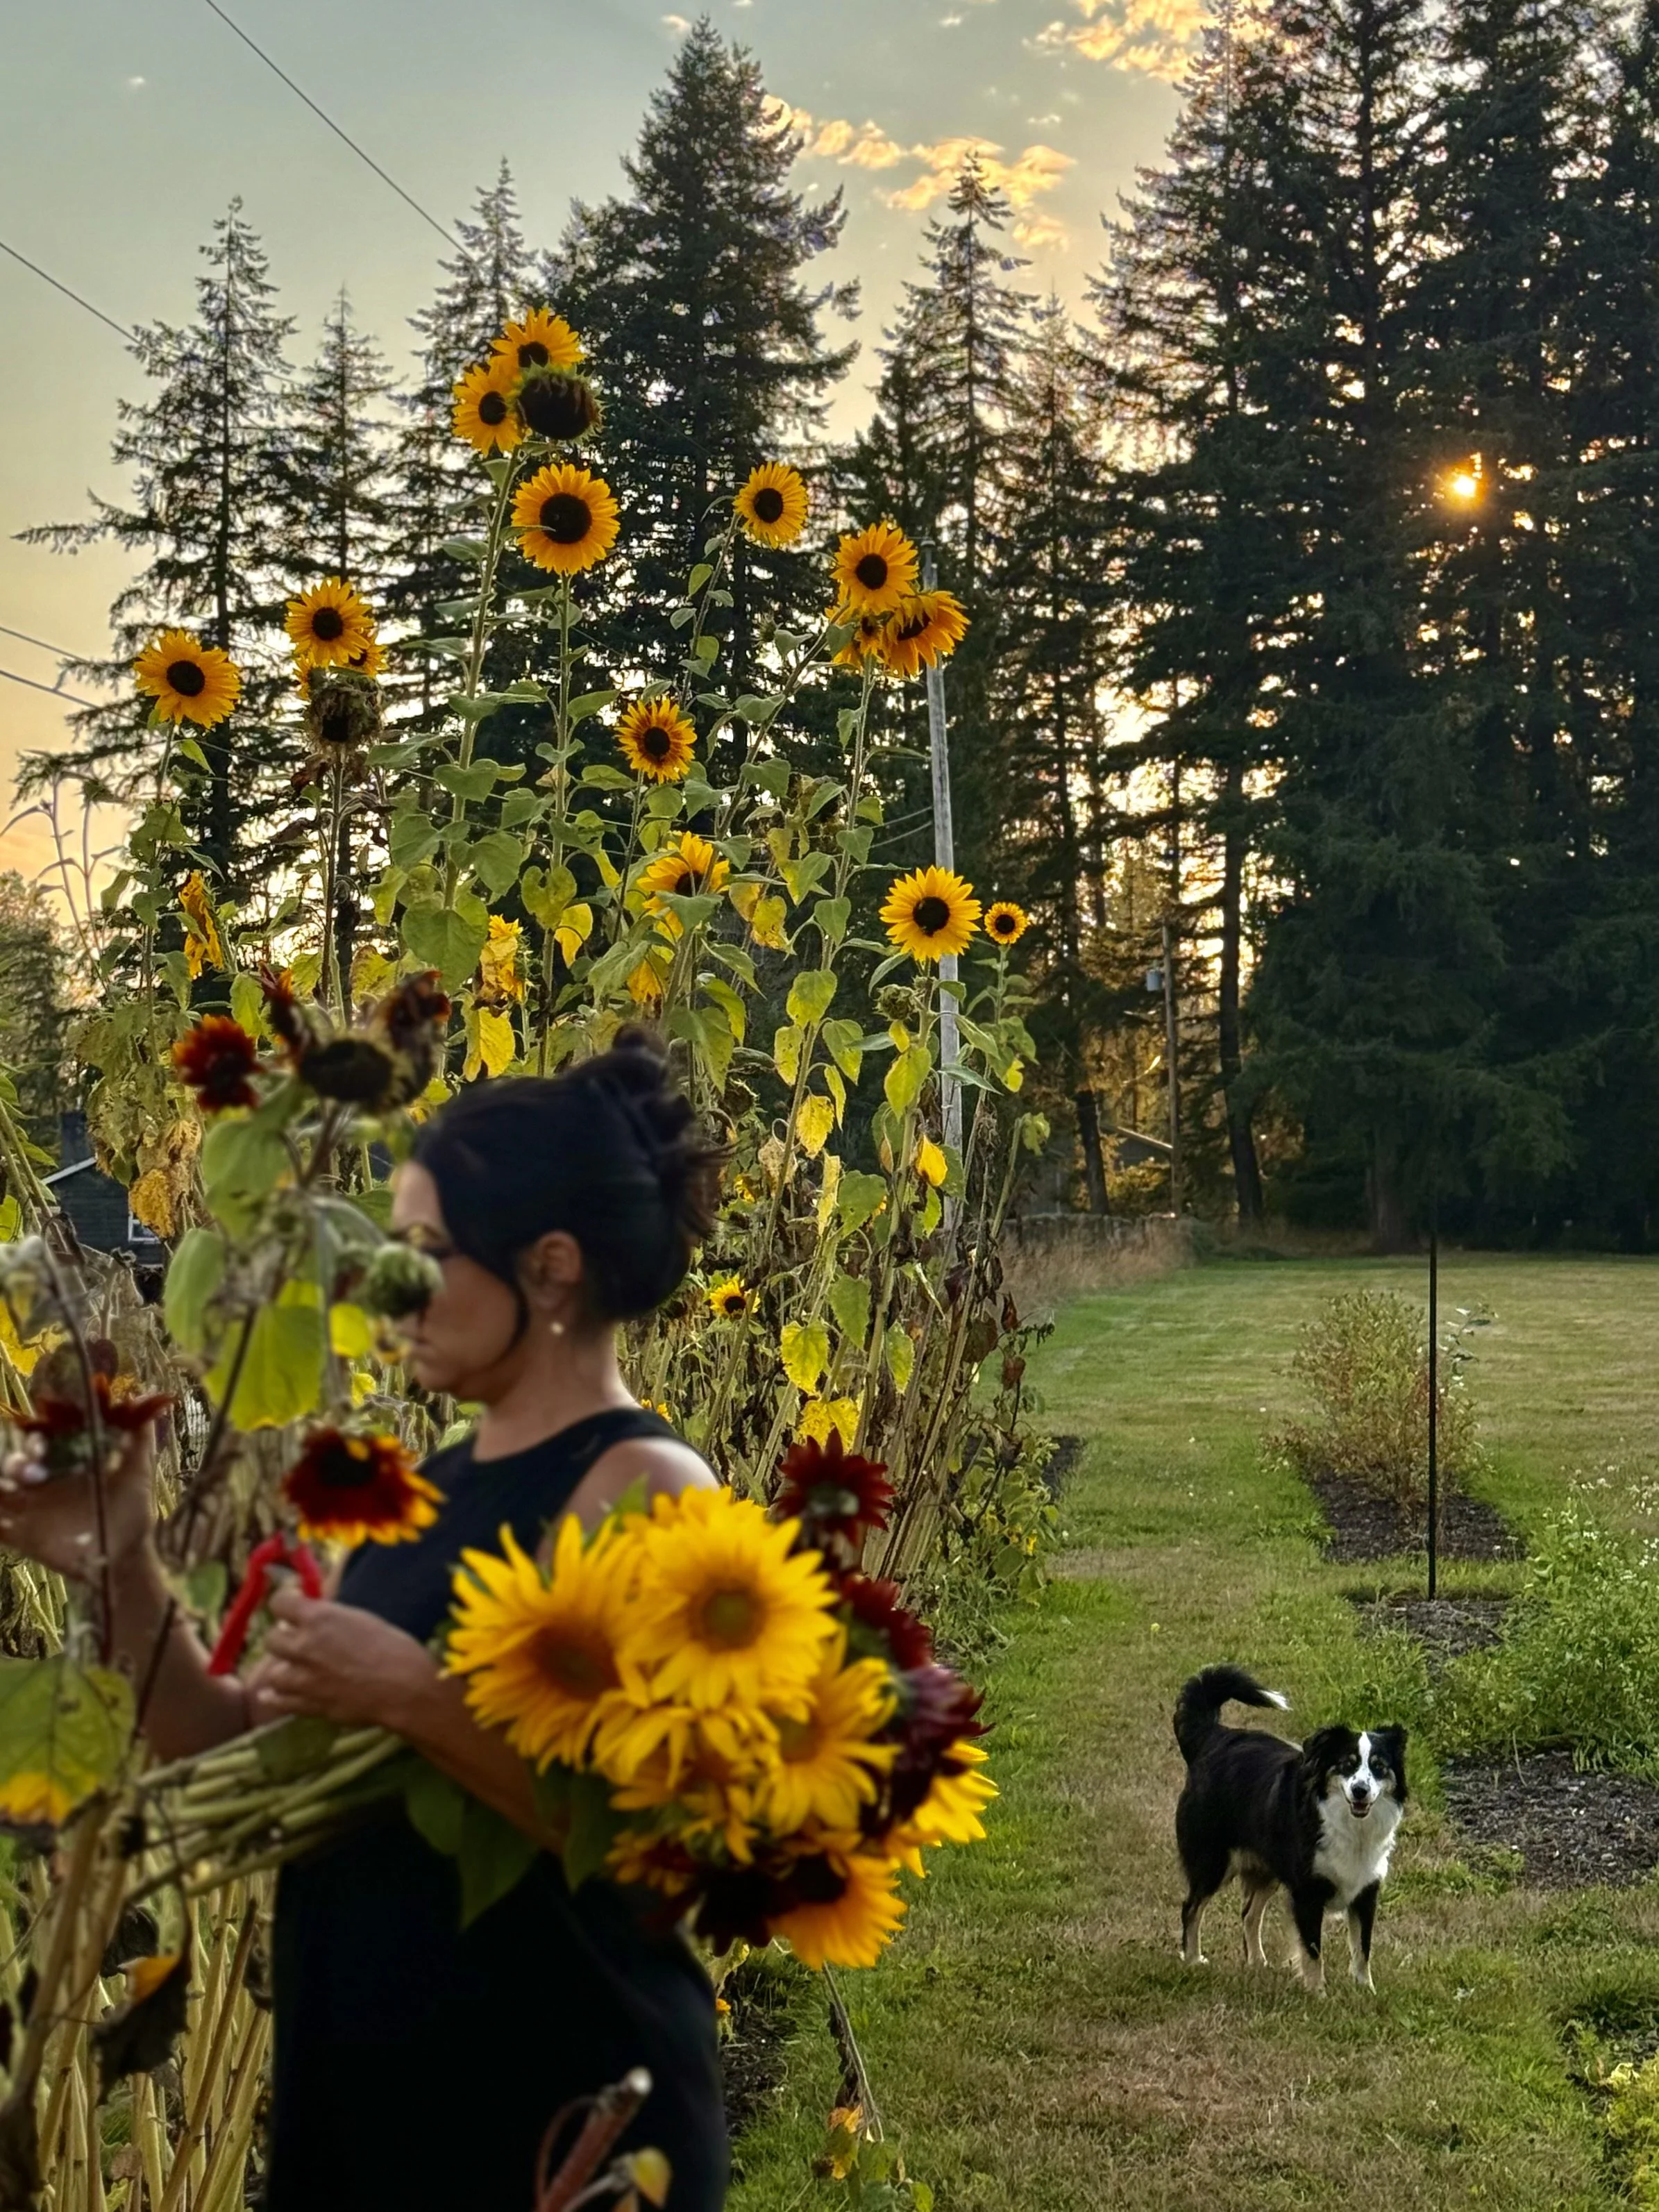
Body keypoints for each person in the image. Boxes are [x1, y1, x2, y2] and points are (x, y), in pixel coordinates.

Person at [0, 1029, 732, 2211]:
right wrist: (117, 1556)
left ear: (549, 1268)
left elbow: (674, 1851)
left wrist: (410, 1692)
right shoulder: (424, 1492)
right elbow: (231, 1743)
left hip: (553, 2103)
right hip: (376, 2092)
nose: (387, 1285)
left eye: (427, 1254)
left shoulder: (642, 1488)